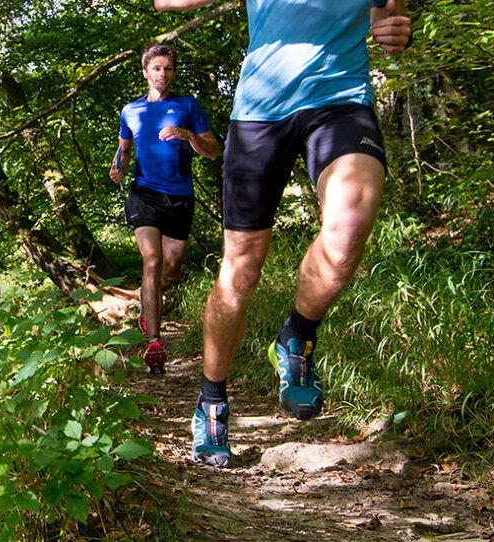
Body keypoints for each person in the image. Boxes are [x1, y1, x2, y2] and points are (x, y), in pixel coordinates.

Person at [152, 0, 412, 466]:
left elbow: (387, 16)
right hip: (260, 113)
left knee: (350, 221)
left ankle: (296, 337)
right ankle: (211, 400)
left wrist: (394, 31)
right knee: (241, 272)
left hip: (341, 102)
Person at [110, 44, 222, 375]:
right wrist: (118, 167)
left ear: (173, 73)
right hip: (144, 194)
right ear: (145, 72)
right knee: (152, 261)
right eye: (157, 68)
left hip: (180, 197)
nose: (163, 74)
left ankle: (148, 300)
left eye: (168, 68)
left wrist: (187, 135)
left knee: (170, 273)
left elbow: (213, 151)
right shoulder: (131, 111)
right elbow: (124, 150)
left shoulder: (188, 106)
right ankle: (154, 343)